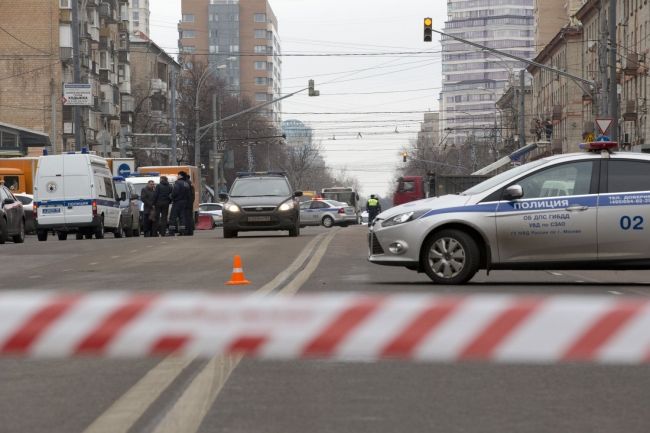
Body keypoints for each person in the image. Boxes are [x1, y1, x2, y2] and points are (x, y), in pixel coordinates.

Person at [182, 172, 195, 236]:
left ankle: (187, 231)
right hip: (190, 203)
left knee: (187, 218)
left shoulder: (186, 184)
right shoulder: (190, 183)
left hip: (187, 203)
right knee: (190, 217)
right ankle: (190, 231)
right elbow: (192, 195)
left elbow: (186, 194)